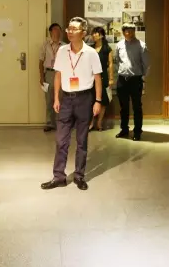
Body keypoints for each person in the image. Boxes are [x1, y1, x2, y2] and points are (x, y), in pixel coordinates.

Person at [41, 17, 102, 191]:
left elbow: (98, 78)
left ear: (83, 33)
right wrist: (56, 98)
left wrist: (98, 101)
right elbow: (58, 75)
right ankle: (58, 176)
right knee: (61, 140)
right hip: (66, 98)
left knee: (82, 140)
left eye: (74, 29)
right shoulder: (62, 51)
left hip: (84, 99)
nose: (70, 32)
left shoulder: (91, 53)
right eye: (68, 29)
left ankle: (79, 176)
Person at [114, 23, 149, 141]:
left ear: (134, 31)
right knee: (123, 107)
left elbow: (146, 64)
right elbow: (117, 61)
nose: (129, 33)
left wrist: (142, 76)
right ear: (123, 32)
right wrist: (122, 71)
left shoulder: (141, 45)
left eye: (132, 31)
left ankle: (137, 131)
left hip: (135, 79)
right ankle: (124, 129)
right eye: (127, 31)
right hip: (122, 79)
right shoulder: (119, 45)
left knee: (137, 107)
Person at [39, 23, 64, 132]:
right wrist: (41, 76)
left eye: (59, 30)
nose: (57, 32)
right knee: (49, 100)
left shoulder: (64, 46)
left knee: (61, 99)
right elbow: (41, 61)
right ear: (50, 32)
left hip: (61, 74)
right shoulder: (45, 45)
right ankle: (49, 123)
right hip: (49, 73)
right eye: (55, 30)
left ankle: (60, 123)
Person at [90, 26, 114, 131]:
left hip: (103, 76)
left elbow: (111, 64)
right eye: (93, 33)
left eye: (96, 33)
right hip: (91, 76)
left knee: (103, 101)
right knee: (91, 100)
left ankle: (99, 123)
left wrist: (111, 78)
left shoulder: (107, 48)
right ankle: (91, 122)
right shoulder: (90, 48)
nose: (94, 35)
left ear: (102, 35)